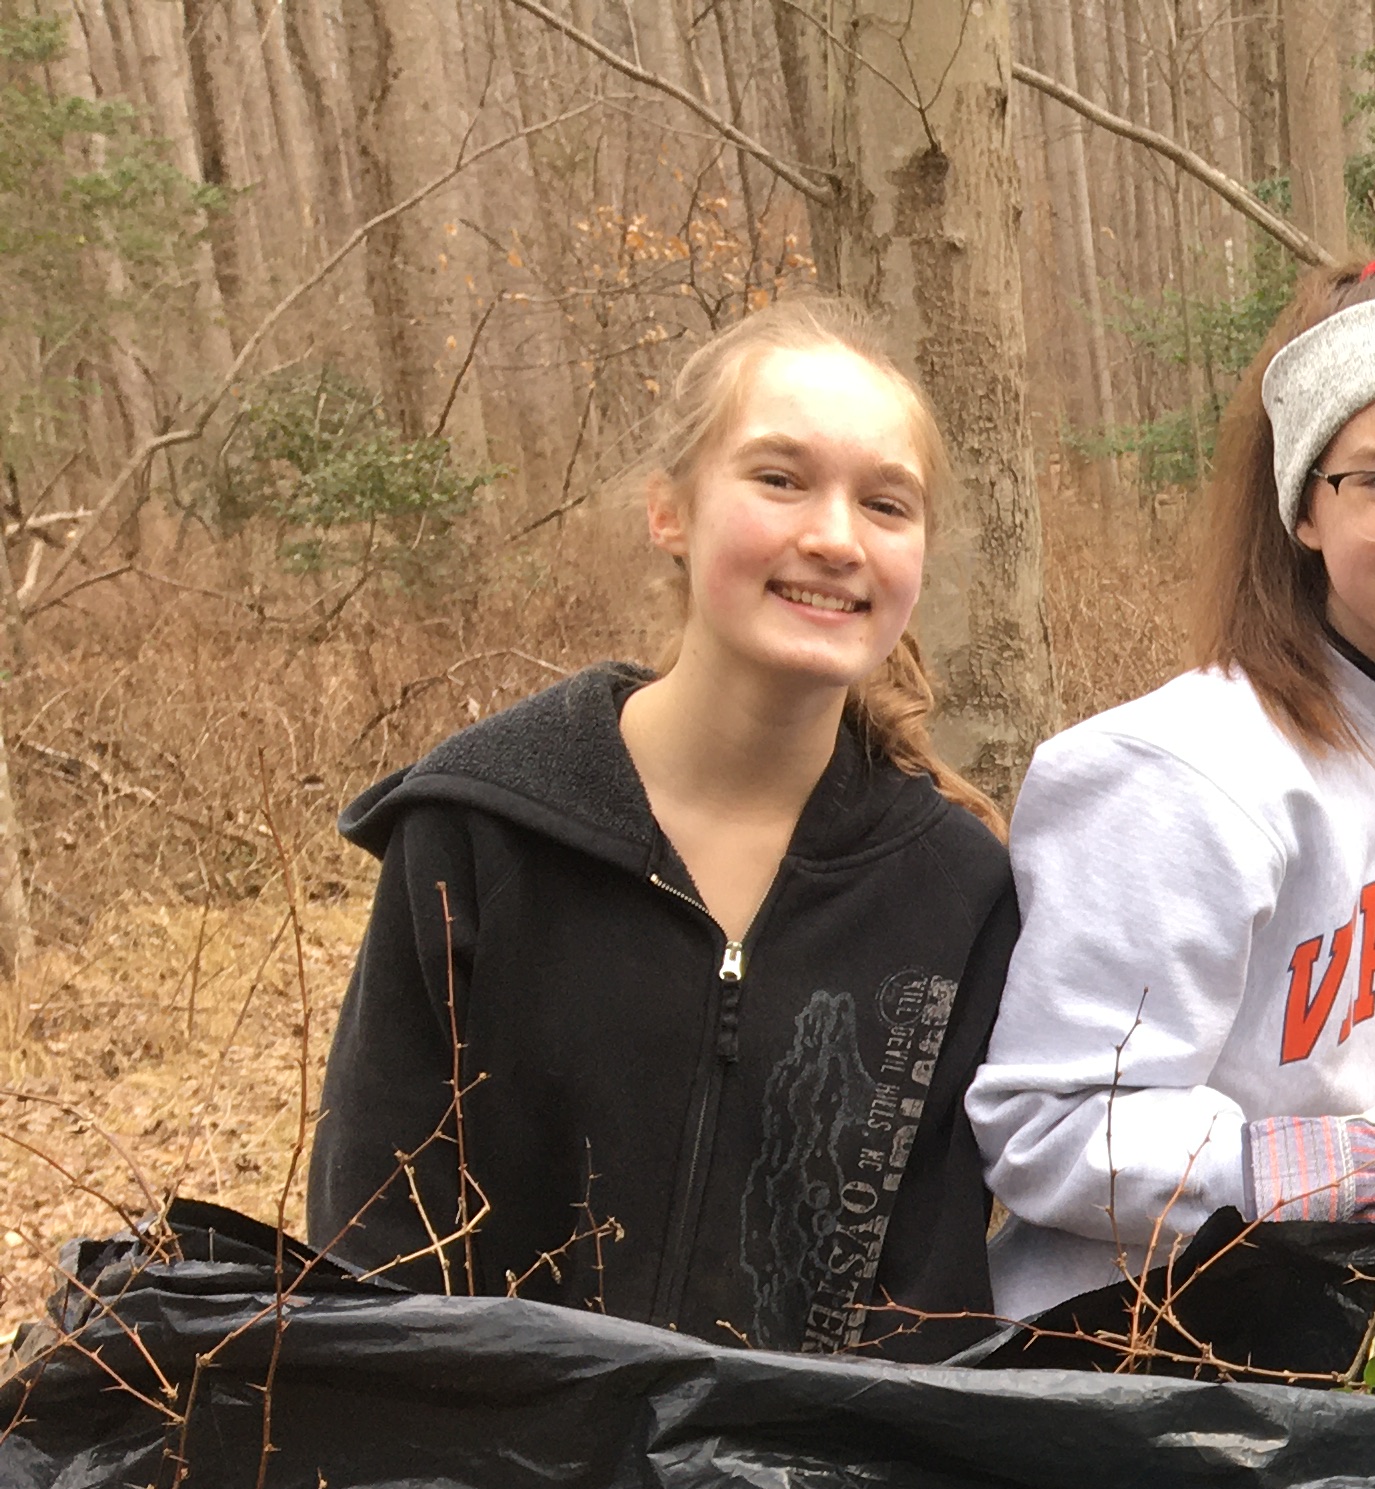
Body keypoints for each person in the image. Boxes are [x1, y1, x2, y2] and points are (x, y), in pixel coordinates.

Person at [311, 299, 1014, 1349]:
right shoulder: (478, 831)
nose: (833, 537)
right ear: (669, 512)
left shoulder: (954, 887)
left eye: (885, 503)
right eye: (780, 479)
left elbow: (929, 1310)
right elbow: (372, 1252)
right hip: (491, 1483)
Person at [969, 263, 1375, 1320]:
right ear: (1304, 512)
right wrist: (1332, 1173)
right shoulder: (1177, 770)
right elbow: (1043, 1127)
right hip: (1146, 1377)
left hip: (1370, 1381)